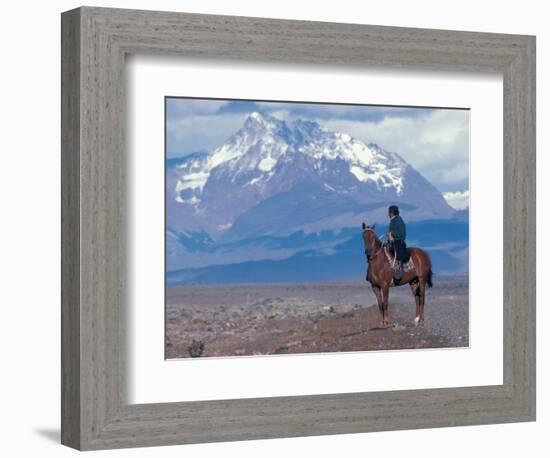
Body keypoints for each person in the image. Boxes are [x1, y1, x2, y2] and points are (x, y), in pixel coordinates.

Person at [386, 205, 408, 280]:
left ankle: (400, 269)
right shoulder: (393, 220)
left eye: (389, 212)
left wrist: (391, 233)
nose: (388, 214)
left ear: (392, 213)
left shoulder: (398, 220)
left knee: (398, 252)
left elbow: (401, 234)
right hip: (393, 241)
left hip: (399, 241)